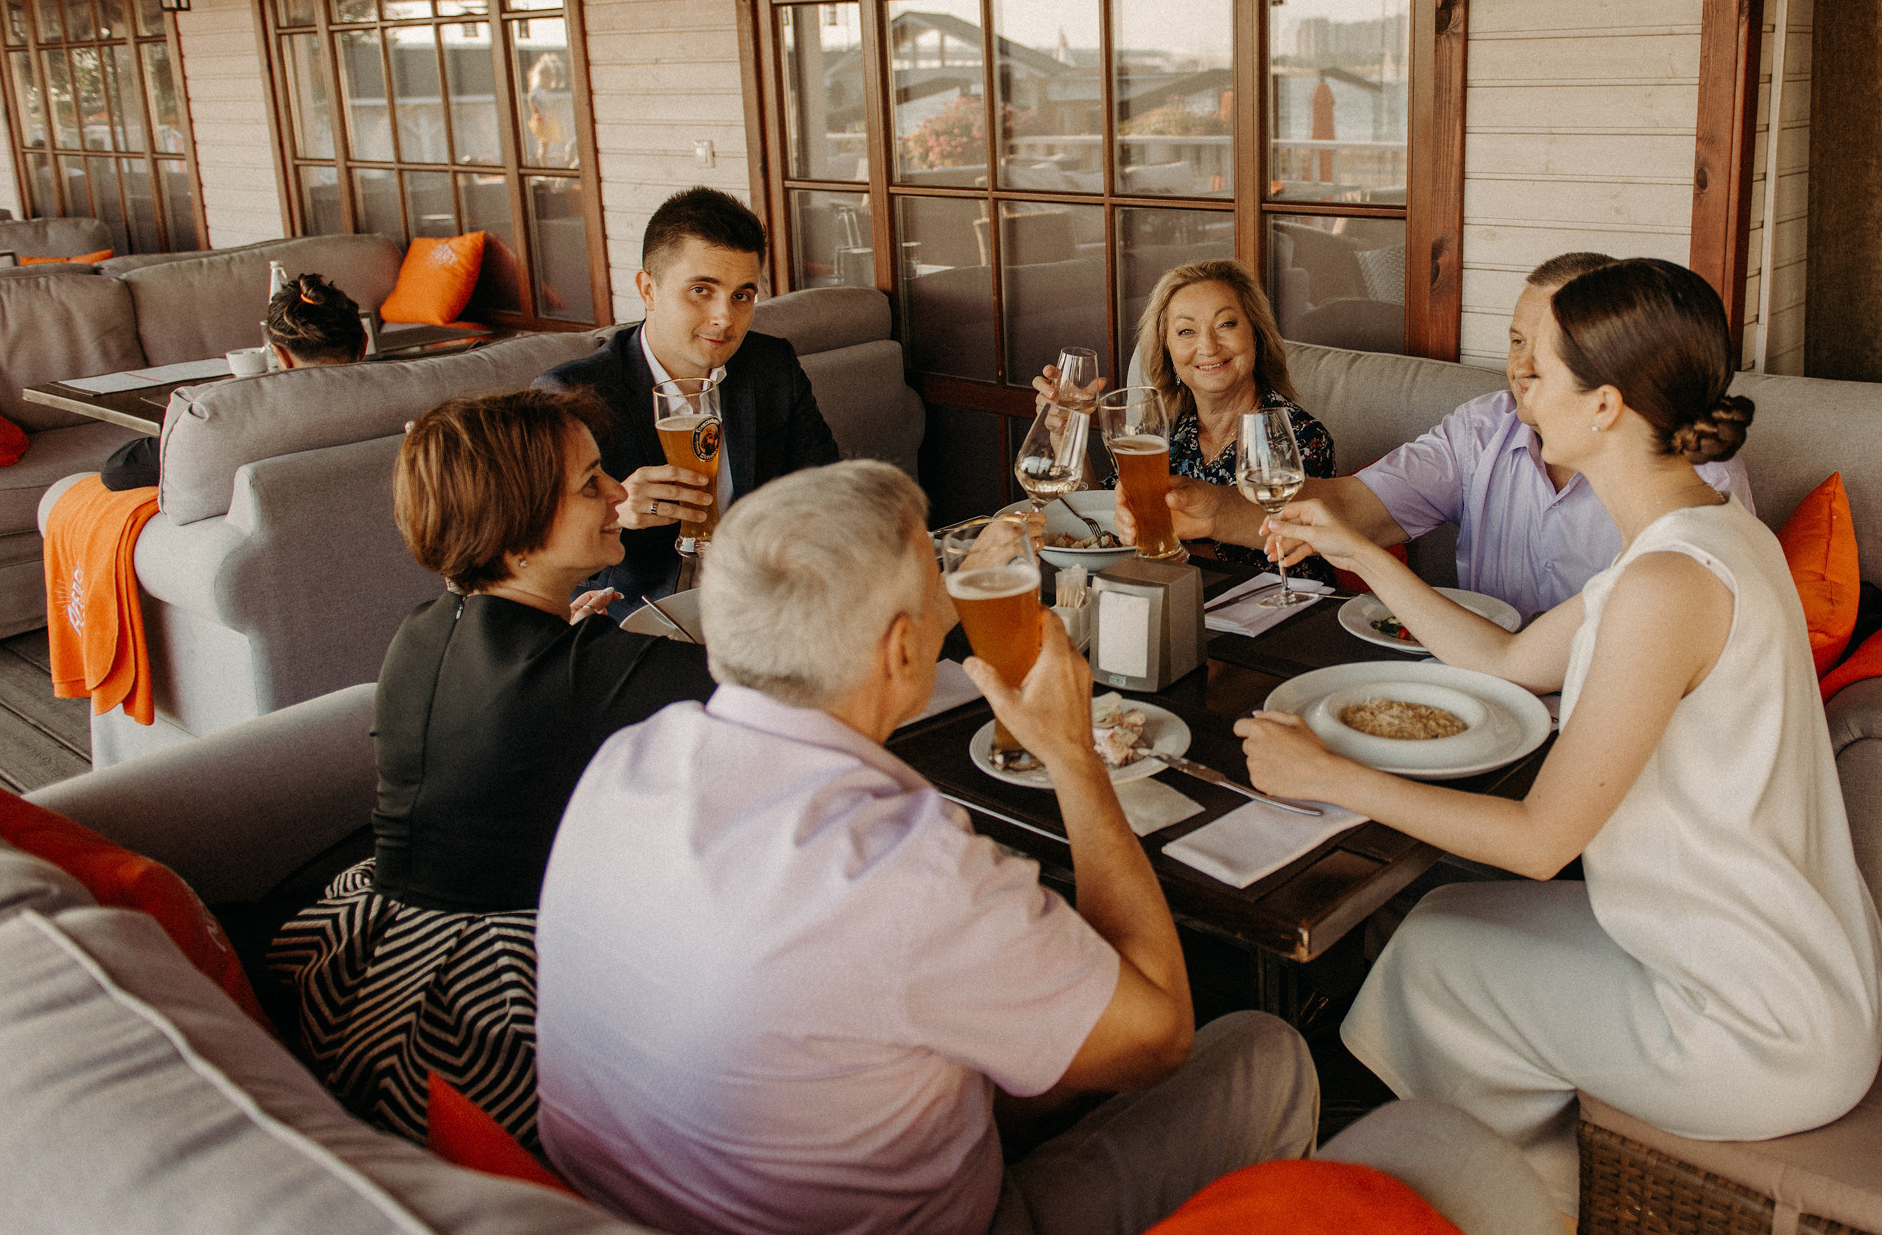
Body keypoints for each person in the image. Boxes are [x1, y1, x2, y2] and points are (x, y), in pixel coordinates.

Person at [1233, 259, 1882, 1213]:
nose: (1518, 395)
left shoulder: (1665, 587)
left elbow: (1543, 843)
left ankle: (1489, 1197)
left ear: (1607, 406)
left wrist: (1330, 774)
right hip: (1792, 953)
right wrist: (1364, 556)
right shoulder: (1694, 535)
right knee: (1432, 940)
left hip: (1754, 1021)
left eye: (1536, 374)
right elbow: (1505, 664)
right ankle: (1519, 1190)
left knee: (1442, 972)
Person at [535, 461, 1318, 1235]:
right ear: (905, 650)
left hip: (616, 1206)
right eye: (935, 587)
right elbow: (1158, 1039)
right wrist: (1073, 755)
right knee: (1264, 1052)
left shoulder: (627, 761)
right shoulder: (904, 867)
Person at [266, 390, 716, 1152]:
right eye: (590, 484)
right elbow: (785, 687)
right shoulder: (579, 674)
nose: (619, 493)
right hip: (479, 1003)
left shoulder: (423, 628)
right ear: (517, 545)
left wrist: (572, 638)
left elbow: (517, 709)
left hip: (369, 943)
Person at [1116, 252, 1750, 620]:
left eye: (1549, 351)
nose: (1522, 369)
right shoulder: (1483, 429)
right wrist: (1213, 510)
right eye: (1515, 341)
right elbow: (1352, 508)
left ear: (1606, 383)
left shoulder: (1690, 496)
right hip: (1483, 680)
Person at [536, 187, 839, 610]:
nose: (725, 318)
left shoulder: (771, 366)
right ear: (648, 290)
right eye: (701, 290)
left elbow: (827, 491)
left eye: (742, 295)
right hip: (639, 621)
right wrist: (613, 513)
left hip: (766, 604)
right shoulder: (570, 396)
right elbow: (531, 555)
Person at [1034, 259, 1335, 581]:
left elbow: (1276, 557)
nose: (1207, 346)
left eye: (1227, 324)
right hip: (1164, 593)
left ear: (1256, 335)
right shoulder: (1168, 431)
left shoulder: (1299, 436)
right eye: (1186, 331)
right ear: (1168, 351)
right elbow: (1103, 515)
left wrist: (1134, 549)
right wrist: (1068, 434)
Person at [99, 271, 368, 491]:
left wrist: (178, 426)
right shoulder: (402, 392)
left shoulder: (223, 419)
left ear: (280, 355)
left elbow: (119, 470)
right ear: (364, 344)